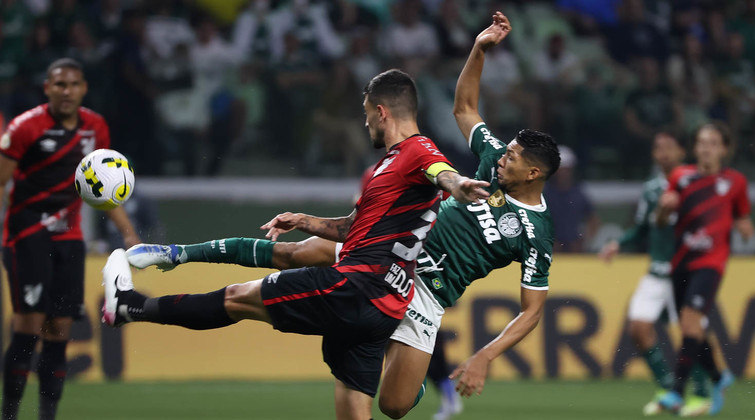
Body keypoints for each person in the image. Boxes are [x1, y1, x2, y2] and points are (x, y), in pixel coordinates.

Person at [126, 12, 559, 419]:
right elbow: (464, 108)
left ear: (534, 173)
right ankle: (174, 253)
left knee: (395, 405)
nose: (504, 158)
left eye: (515, 158)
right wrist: (480, 49)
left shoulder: (536, 233)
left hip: (428, 294)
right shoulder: (492, 157)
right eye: (508, 151)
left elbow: (532, 310)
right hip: (389, 251)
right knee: (299, 253)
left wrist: (485, 355)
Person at [101, 68, 490, 420]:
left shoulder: (416, 151)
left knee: (237, 297)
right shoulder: (390, 166)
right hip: (383, 307)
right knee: (355, 411)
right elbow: (352, 229)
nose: (365, 120)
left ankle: (131, 307)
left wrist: (459, 184)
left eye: (367, 112)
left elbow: (440, 171)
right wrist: (304, 220)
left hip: (356, 288)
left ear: (382, 111)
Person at [0, 58, 140, 420]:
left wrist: (129, 233)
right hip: (26, 235)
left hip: (69, 238)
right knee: (28, 327)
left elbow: (103, 188)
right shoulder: (24, 127)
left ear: (83, 89)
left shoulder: (95, 127)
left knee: (59, 330)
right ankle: (11, 413)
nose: (67, 91)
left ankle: (48, 415)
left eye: (74, 84)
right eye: (59, 85)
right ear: (47, 88)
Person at [599, 132, 713, 416]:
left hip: (685, 273)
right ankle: (666, 388)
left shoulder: (695, 183)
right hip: (656, 271)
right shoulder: (651, 190)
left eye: (669, 147)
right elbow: (642, 229)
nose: (662, 153)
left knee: (690, 332)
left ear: (681, 152)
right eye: (658, 148)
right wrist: (619, 244)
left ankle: (701, 393)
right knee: (638, 328)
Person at [656, 122, 754, 416]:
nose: (706, 148)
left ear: (724, 149)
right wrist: (664, 208)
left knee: (690, 321)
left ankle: (676, 392)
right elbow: (662, 221)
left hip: (711, 263)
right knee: (691, 327)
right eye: (702, 142)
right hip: (681, 262)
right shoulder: (680, 177)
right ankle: (718, 377)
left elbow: (743, 217)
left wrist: (745, 227)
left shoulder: (735, 182)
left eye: (712, 143)